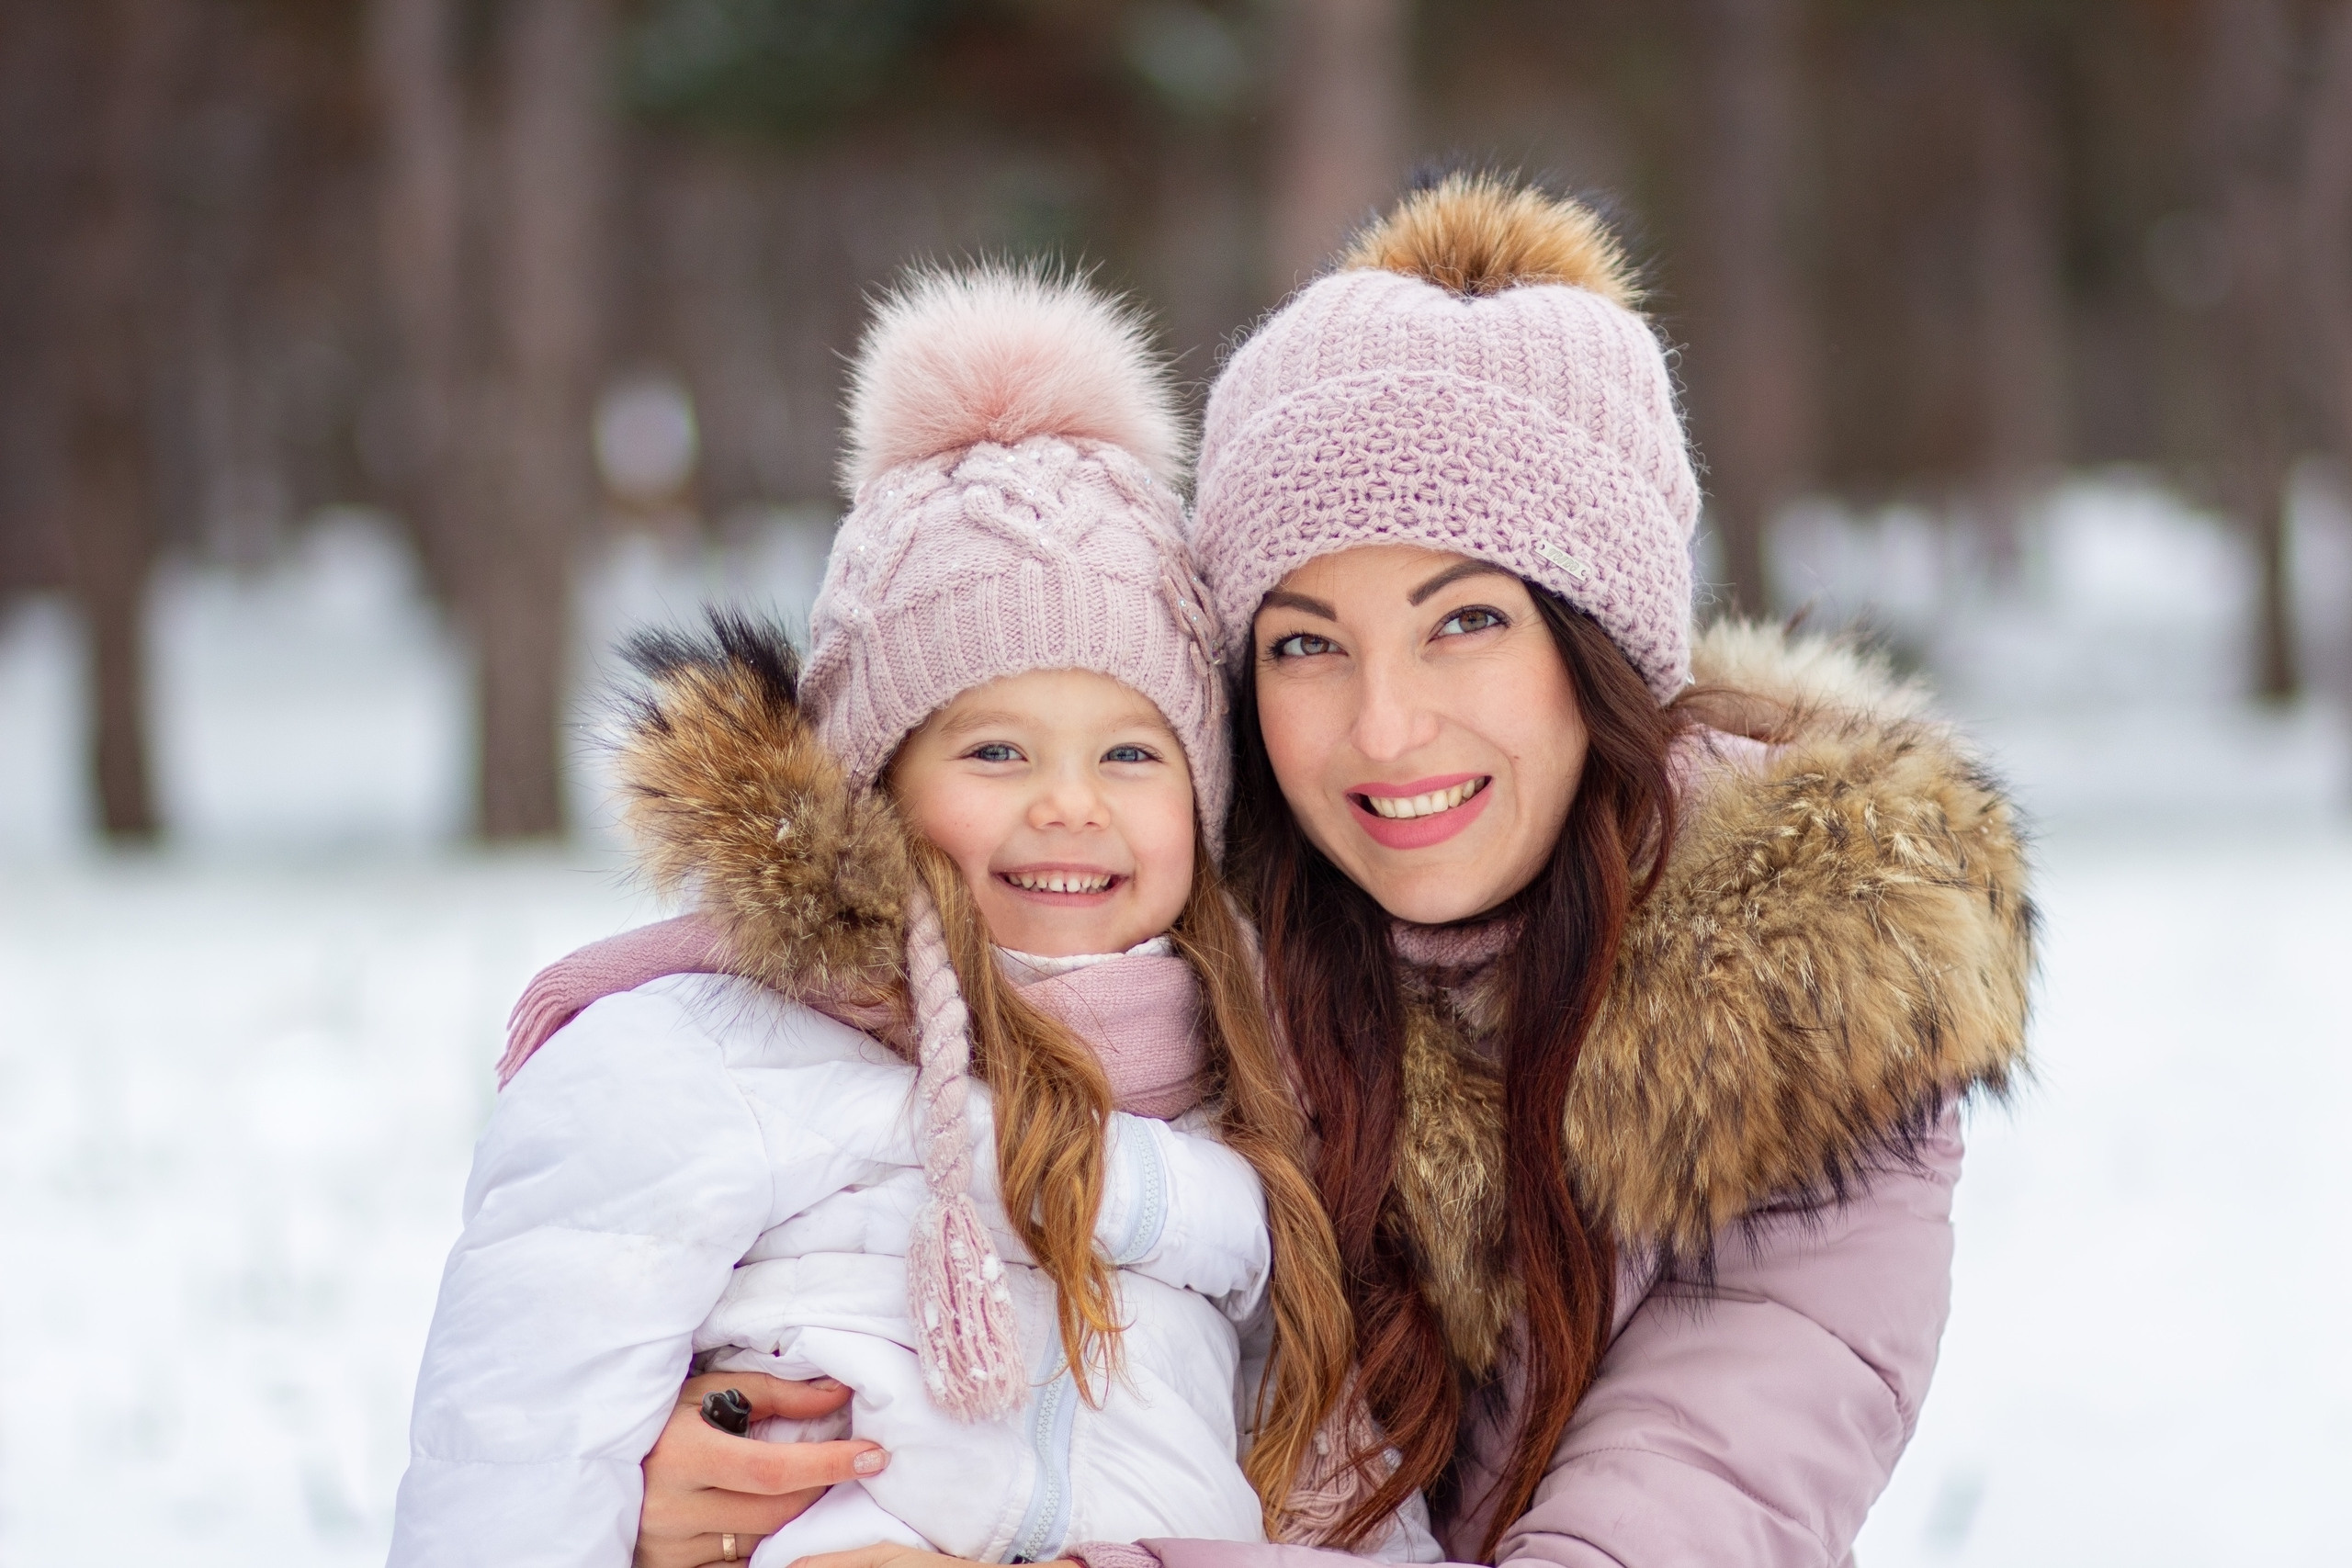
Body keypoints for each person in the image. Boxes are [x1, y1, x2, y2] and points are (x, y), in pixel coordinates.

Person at [616, 173, 2036, 1568]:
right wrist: (694, 1476)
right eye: (1305, 643)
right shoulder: (1157, 943)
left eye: (1464, 622)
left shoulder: (1813, 1012)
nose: (1385, 727)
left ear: (1599, 647)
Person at [388, 267, 1414, 1568]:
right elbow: (518, 1436)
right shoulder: (714, 1054)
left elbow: (1343, 1481)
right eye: (994, 752)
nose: (1068, 805)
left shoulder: (1260, 1080)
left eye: (1130, 754)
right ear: (874, 787)